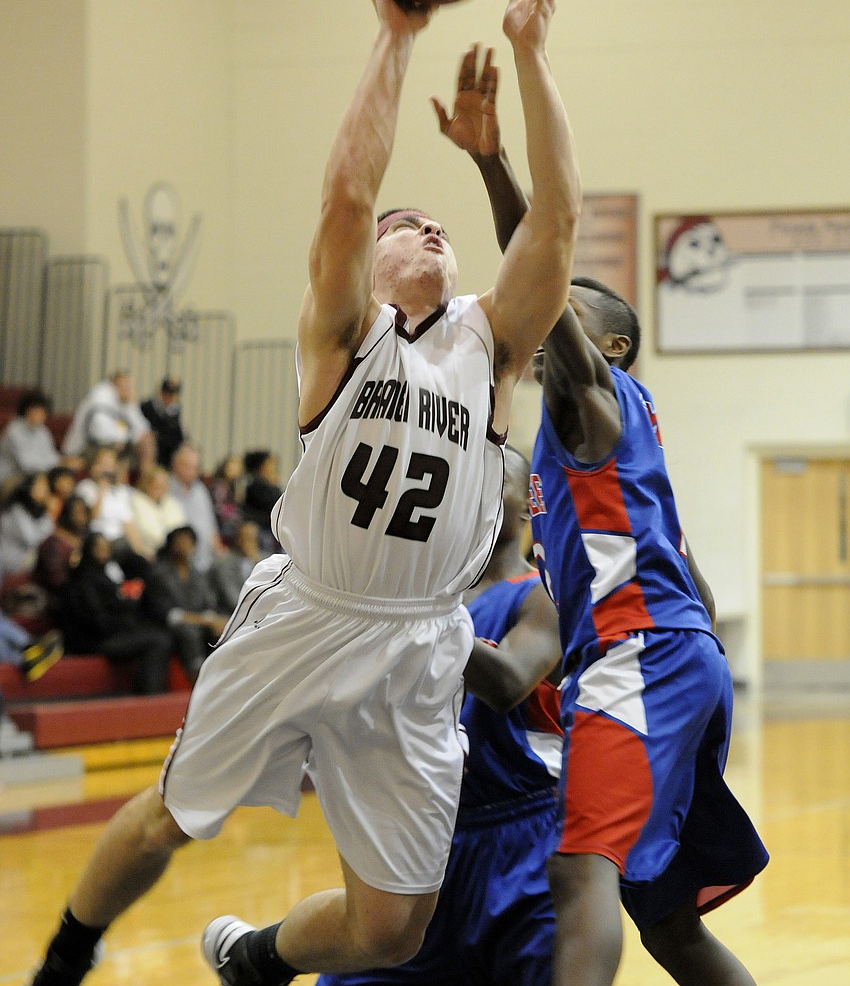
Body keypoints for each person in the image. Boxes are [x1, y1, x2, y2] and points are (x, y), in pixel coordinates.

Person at [28, 0, 579, 986]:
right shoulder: (343, 333)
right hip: (308, 612)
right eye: (401, 224)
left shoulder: (488, 345)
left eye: (438, 226)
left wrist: (533, 57)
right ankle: (63, 959)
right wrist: (395, 34)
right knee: (164, 822)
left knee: (391, 932)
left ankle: (257, 955)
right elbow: (343, 197)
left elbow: (555, 222)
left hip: (421, 642)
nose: (422, 228)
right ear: (368, 266)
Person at [444, 88, 769, 985]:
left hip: (643, 659)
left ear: (613, 348)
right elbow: (696, 591)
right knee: (667, 922)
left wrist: (490, 160)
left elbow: (536, 263)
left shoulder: (593, 404)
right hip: (669, 658)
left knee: (576, 867)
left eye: (569, 310)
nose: (547, 312)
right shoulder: (600, 449)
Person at [316, 446, 563, 986]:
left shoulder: (545, 594)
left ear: (526, 508)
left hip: (523, 838)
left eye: (497, 480)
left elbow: (509, 682)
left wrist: (407, 611)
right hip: (421, 832)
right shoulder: (423, 598)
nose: (479, 490)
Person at [57, 531, 173, 696]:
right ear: (89, 550)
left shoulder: (105, 574)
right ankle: (150, 696)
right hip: (93, 640)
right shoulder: (83, 580)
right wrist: (124, 620)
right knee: (158, 641)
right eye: (99, 548)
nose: (104, 552)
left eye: (106, 548)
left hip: (111, 633)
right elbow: (96, 620)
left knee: (158, 633)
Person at [142, 525, 227, 682]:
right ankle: (197, 680)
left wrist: (214, 620)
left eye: (189, 541)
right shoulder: (158, 574)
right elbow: (168, 614)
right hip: (165, 626)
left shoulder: (197, 573)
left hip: (198, 623)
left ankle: (225, 680)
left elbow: (208, 605)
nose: (185, 545)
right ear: (171, 545)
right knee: (189, 632)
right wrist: (204, 620)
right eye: (180, 541)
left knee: (224, 629)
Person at [74, 447, 147, 565]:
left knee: (142, 563)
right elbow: (91, 517)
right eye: (103, 463)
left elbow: (128, 524)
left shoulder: (119, 492)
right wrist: (101, 488)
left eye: (110, 464)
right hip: (97, 540)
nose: (106, 468)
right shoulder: (85, 488)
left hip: (120, 543)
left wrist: (141, 552)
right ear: (94, 465)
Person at [61, 371, 151, 462]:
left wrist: (132, 404)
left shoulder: (125, 400)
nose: (128, 389)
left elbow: (143, 429)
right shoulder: (100, 396)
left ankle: (147, 475)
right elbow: (100, 432)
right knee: (119, 450)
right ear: (113, 385)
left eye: (130, 387)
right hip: (83, 448)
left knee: (147, 441)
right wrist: (125, 438)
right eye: (125, 386)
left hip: (108, 443)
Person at [168, 442, 227, 574]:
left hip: (207, 560)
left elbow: (212, 528)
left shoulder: (200, 490)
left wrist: (220, 552)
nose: (190, 472)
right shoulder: (165, 488)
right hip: (179, 561)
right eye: (186, 466)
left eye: (194, 467)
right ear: (174, 465)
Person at [0, 388, 61, 493]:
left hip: (33, 477)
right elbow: (27, 464)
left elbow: (51, 455)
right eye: (37, 411)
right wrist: (57, 463)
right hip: (9, 478)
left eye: (43, 412)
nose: (41, 415)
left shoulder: (43, 431)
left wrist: (60, 462)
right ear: (27, 410)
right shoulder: (14, 430)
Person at [0, 472, 56, 578]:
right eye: (40, 486)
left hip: (23, 567)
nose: (45, 491)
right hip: (7, 564)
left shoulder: (39, 511)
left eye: (46, 487)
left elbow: (50, 529)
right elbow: (31, 539)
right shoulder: (15, 509)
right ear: (29, 488)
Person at [130, 464, 187, 559]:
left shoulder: (171, 503)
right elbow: (149, 533)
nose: (161, 489)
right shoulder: (137, 501)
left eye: (163, 486)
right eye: (157, 485)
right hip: (149, 555)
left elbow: (181, 528)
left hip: (174, 553)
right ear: (147, 484)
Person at [210, 518, 263, 616]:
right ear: (238, 539)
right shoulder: (224, 564)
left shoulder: (264, 562)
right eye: (246, 538)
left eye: (253, 538)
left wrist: (257, 562)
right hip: (231, 616)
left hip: (259, 613)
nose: (250, 543)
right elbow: (233, 599)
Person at [240, 450, 284, 554]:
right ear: (262, 467)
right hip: (263, 531)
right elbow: (275, 506)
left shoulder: (266, 486)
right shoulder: (256, 485)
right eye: (270, 464)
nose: (274, 467)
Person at [140, 377, 186, 470]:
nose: (169, 397)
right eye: (167, 393)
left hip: (169, 451)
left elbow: (178, 435)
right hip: (153, 448)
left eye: (172, 394)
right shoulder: (147, 407)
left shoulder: (175, 411)